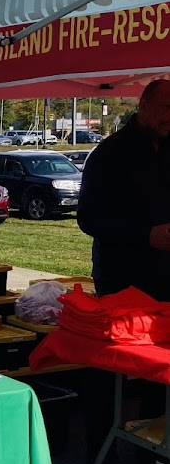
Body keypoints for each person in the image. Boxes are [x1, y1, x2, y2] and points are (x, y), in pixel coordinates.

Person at [78, 78, 170, 299]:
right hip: (124, 282)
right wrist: (146, 235)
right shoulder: (109, 154)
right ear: (144, 105)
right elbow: (89, 218)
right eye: (167, 107)